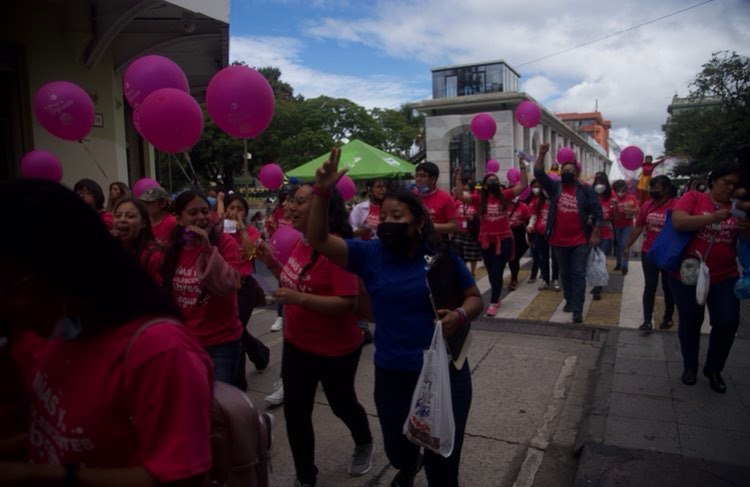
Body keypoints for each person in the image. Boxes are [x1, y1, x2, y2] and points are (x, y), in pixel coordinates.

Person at [0, 179, 212, 485]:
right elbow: (65, 434)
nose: (7, 305)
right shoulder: (44, 330)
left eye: (10, 287)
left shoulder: (161, 351)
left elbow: (181, 476)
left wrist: (41, 475)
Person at [308, 147, 484, 487]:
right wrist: (322, 191)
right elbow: (318, 238)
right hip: (393, 373)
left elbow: (474, 298)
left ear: (418, 222)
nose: (387, 223)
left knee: (443, 467)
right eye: (383, 217)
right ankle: (408, 464)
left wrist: (460, 316)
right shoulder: (369, 254)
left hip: (444, 374)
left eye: (397, 217)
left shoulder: (441, 257)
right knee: (399, 450)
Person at [257, 184, 374, 486]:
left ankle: (364, 441)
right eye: (290, 201)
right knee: (296, 414)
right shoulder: (302, 242)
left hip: (337, 350)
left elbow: (347, 304)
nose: (290, 207)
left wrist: (299, 300)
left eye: (299, 202)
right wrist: (270, 262)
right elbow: (295, 278)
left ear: (323, 208)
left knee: (342, 404)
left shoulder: (336, 249)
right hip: (297, 344)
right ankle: (306, 477)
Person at [668, 162, 749, 393]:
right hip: (689, 272)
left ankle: (714, 368)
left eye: (735, 185)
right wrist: (712, 217)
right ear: (713, 181)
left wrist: (746, 227)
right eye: (727, 183)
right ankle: (690, 366)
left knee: (728, 321)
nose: (730, 189)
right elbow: (679, 221)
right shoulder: (694, 198)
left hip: (725, 275)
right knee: (691, 321)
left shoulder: (739, 207)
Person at [160, 190, 243, 386]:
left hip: (221, 343)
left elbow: (227, 285)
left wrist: (207, 248)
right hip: (185, 342)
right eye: (193, 212)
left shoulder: (225, 243)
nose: (201, 217)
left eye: (205, 211)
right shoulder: (173, 248)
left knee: (217, 407)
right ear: (179, 219)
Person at [534, 143, 603, 323]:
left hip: (580, 240)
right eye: (564, 169)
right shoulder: (555, 188)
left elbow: (598, 213)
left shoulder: (586, 190)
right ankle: (570, 300)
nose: (567, 172)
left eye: (571, 170)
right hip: (558, 240)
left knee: (578, 273)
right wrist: (541, 154)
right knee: (565, 273)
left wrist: (595, 233)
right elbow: (539, 174)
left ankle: (577, 310)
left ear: (576, 173)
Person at [453, 158, 528, 315]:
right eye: (490, 180)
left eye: (495, 179)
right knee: (491, 270)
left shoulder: (505, 195)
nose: (493, 182)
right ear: (485, 185)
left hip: (504, 240)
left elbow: (523, 186)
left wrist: (522, 167)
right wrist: (458, 178)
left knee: (497, 270)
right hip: (486, 241)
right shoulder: (479, 199)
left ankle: (494, 301)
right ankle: (496, 294)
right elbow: (459, 195)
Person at [221, 194, 271, 389]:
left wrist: (241, 230)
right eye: (231, 208)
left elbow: (252, 253)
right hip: (225, 286)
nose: (235, 212)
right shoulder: (220, 231)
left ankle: (239, 383)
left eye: (239, 208)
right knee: (237, 329)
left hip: (245, 286)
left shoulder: (250, 231)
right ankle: (260, 353)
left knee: (235, 330)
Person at [623, 175, 676, 331]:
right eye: (651, 188)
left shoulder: (676, 205)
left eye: (657, 188)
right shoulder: (647, 206)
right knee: (650, 286)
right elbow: (639, 227)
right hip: (649, 252)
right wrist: (627, 246)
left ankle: (668, 317)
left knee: (668, 287)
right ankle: (647, 320)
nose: (653, 191)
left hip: (669, 254)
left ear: (666, 189)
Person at [111, 197, 163, 284]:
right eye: (118, 215)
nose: (122, 219)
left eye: (130, 216)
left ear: (143, 223)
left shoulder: (154, 256)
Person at [526, 179, 560, 291]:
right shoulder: (537, 201)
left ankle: (556, 279)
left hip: (555, 234)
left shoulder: (558, 202)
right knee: (543, 257)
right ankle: (545, 279)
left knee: (556, 258)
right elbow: (534, 215)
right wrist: (531, 225)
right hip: (540, 233)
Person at [414, 161, 458, 236]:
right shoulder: (411, 195)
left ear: (433, 179)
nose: (418, 179)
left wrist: (430, 227)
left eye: (423, 176)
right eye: (416, 176)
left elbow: (454, 226)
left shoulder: (445, 198)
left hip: (437, 243)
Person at [591, 172, 615, 300]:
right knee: (593, 259)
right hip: (592, 233)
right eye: (597, 183)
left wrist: (615, 208)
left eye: (602, 183)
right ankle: (595, 282)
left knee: (601, 259)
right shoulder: (591, 197)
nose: (599, 186)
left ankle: (598, 287)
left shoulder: (611, 198)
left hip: (606, 232)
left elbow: (614, 218)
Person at [453, 175, 482, 277]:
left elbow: (480, 215)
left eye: (467, 190)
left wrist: (474, 217)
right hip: (459, 232)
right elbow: (453, 213)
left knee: (472, 255)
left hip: (471, 232)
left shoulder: (475, 202)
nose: (465, 191)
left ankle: (473, 271)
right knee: (460, 254)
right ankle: (463, 270)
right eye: (463, 190)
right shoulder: (458, 202)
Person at [506, 187, 532, 291]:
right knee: (508, 258)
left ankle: (513, 278)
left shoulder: (523, 206)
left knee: (514, 257)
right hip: (506, 233)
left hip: (518, 234)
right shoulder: (503, 206)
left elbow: (528, 220)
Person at [611, 180, 639, 275]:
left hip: (628, 225)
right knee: (618, 245)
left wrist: (631, 210)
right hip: (616, 224)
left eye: (622, 190)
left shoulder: (631, 198)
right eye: (618, 190)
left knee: (624, 244)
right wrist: (615, 207)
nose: (621, 193)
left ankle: (625, 265)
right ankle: (619, 262)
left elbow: (637, 210)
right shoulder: (613, 199)